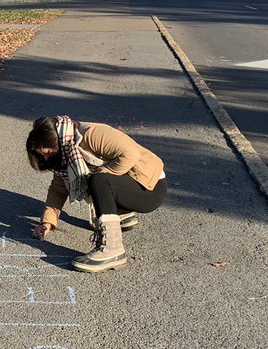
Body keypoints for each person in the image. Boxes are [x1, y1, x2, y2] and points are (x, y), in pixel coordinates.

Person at [25, 115, 167, 272]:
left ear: (55, 140)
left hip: (149, 188)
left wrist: (100, 178)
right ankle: (121, 214)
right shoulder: (63, 152)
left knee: (97, 180)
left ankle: (112, 250)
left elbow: (130, 154)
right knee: (95, 180)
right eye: (41, 154)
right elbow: (58, 189)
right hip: (130, 188)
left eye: (47, 152)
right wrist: (47, 222)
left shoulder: (92, 134)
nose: (45, 157)